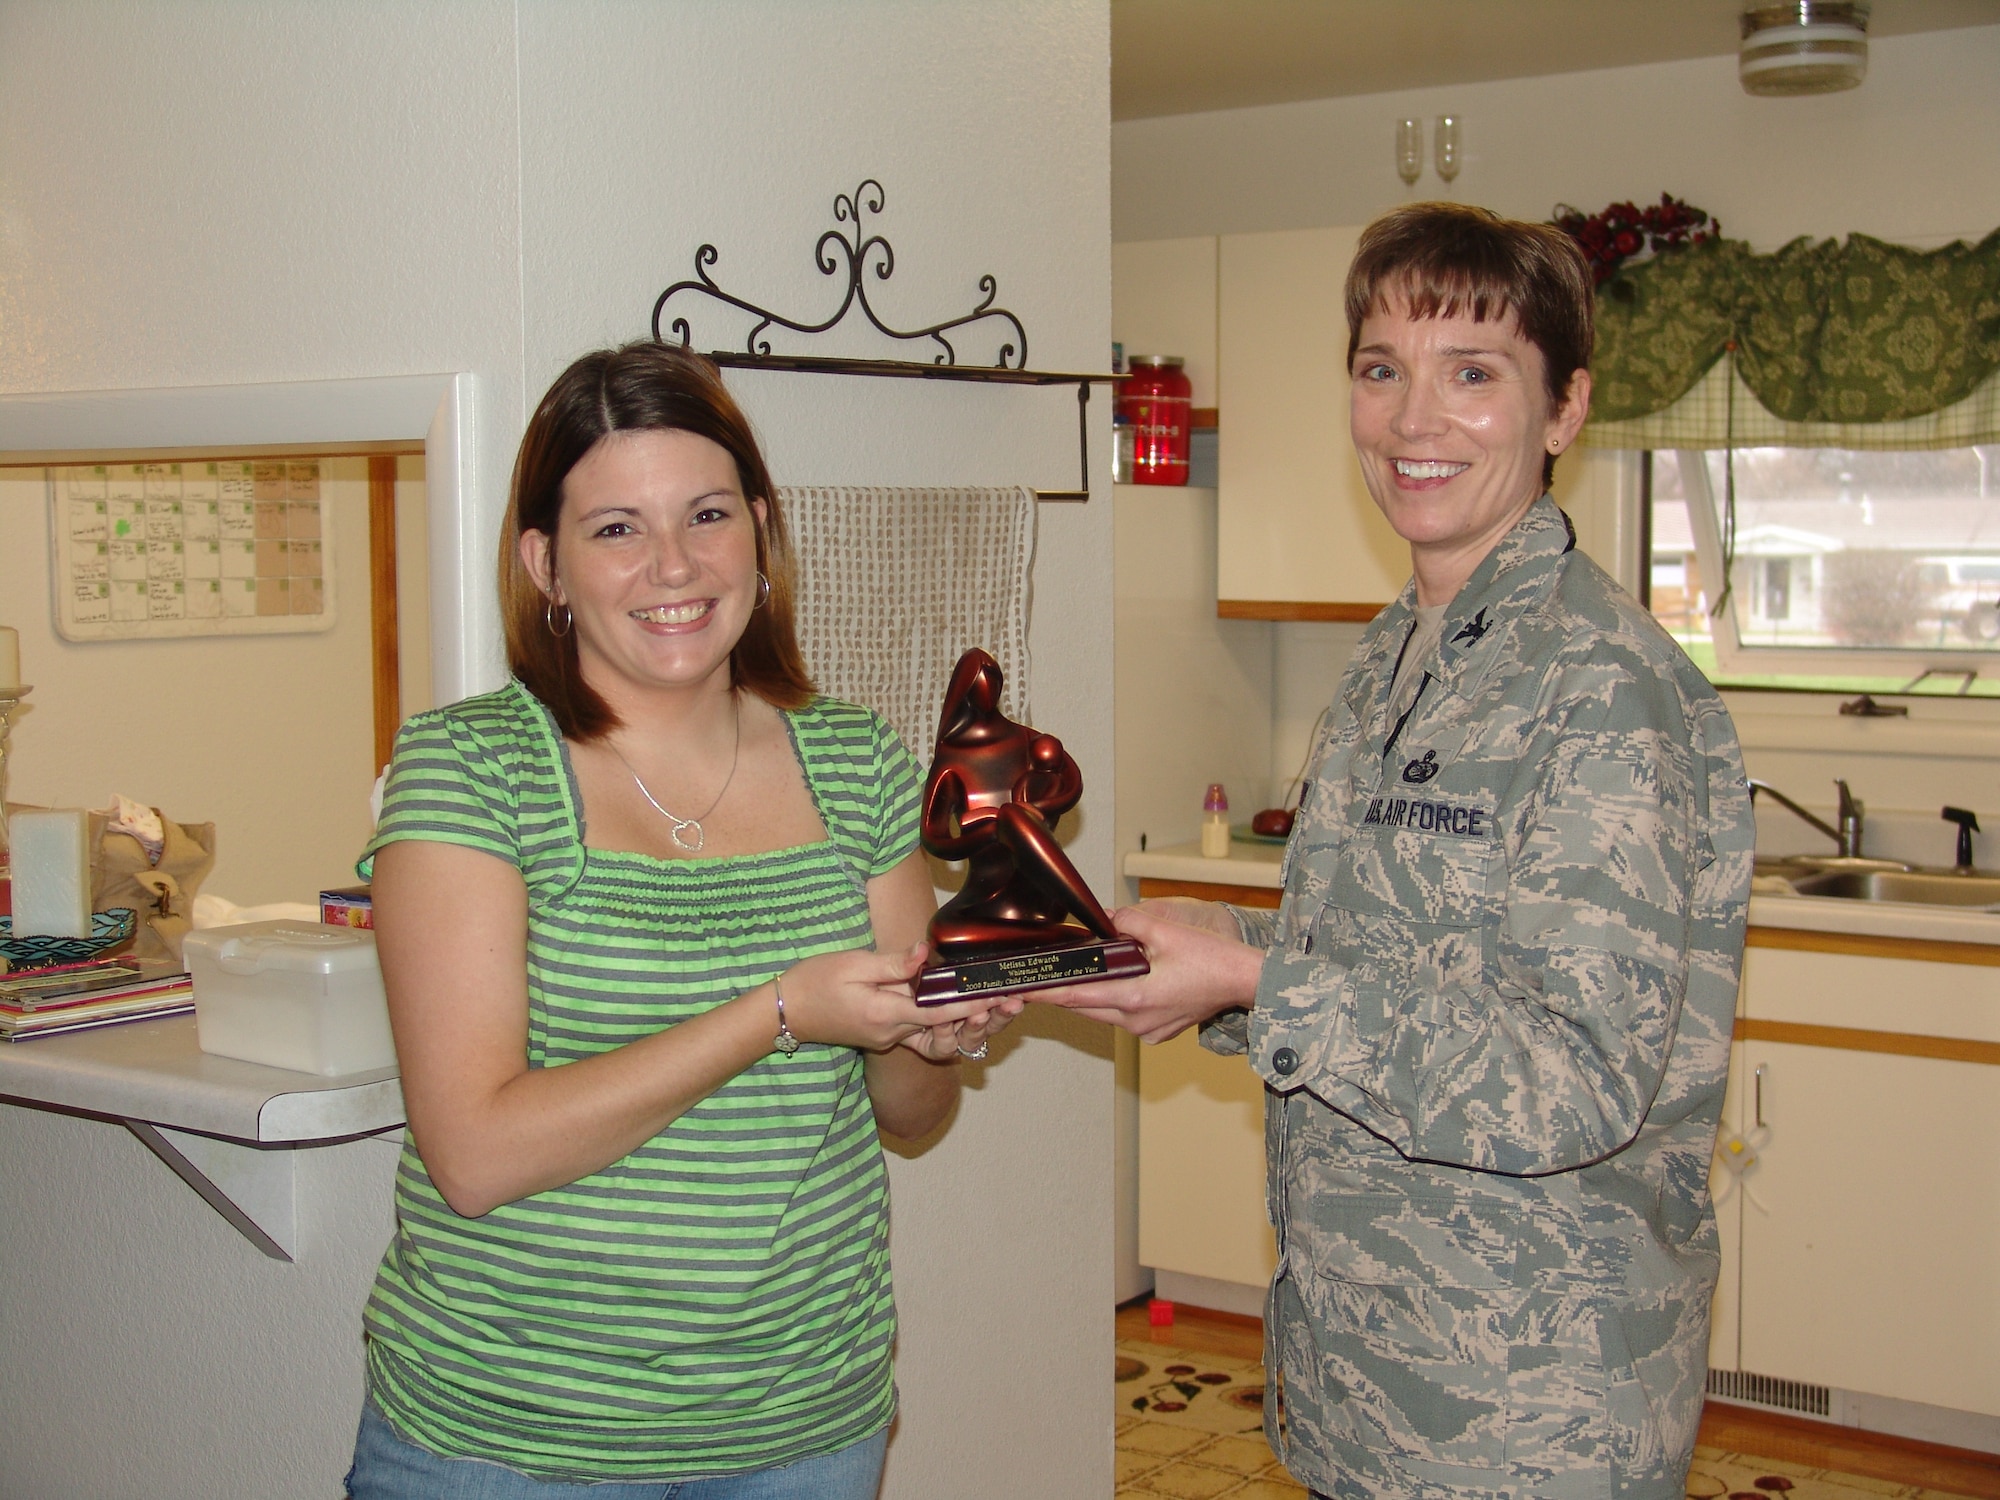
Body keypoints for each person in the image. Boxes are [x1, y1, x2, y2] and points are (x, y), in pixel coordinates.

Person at [1053, 203, 1753, 1500]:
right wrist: (1213, 952)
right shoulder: (1393, 653)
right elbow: (1378, 961)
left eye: (1471, 374)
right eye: (1382, 370)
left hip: (1526, 1413)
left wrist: (1256, 983)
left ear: (1564, 409)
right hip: (1362, 1372)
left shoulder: (1599, 687)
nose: (1411, 420)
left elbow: (1572, 1078)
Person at [344, 340, 1017, 1499]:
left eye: (706, 515)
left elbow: (910, 1116)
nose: (673, 565)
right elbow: (476, 1157)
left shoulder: (854, 762)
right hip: (509, 1440)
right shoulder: (471, 772)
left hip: (803, 1425)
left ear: (758, 529)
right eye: (617, 528)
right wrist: (776, 1012)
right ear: (545, 564)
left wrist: (928, 1033)